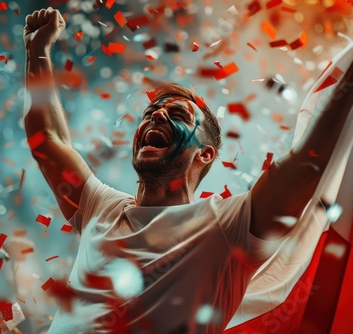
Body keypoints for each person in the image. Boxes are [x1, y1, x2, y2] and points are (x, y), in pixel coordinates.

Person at [23, 7, 353, 334]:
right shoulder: (103, 208)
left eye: (177, 115)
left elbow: (304, 168)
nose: (156, 116)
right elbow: (48, 140)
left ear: (205, 154)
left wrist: (349, 83)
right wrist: (37, 52)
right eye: (150, 112)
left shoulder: (228, 225)